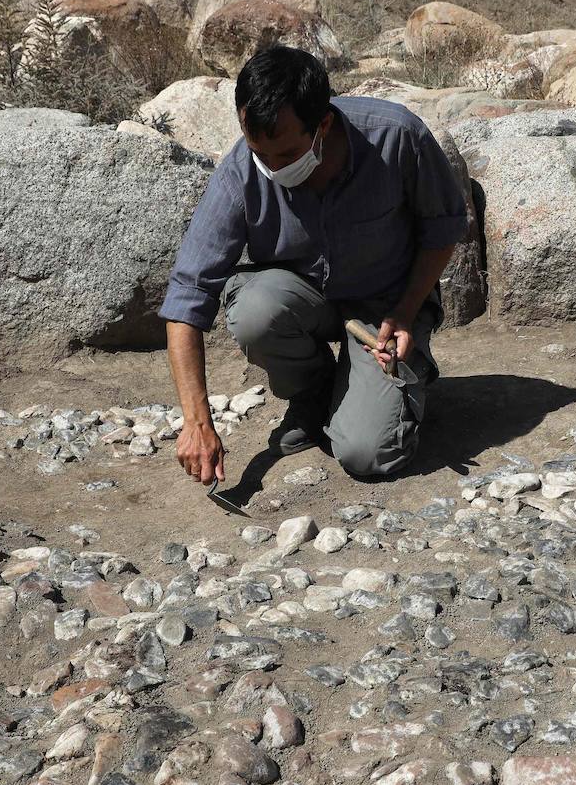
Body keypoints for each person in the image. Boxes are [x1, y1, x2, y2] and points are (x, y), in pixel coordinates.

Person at [158, 45, 468, 483]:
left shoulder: (396, 137)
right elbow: (188, 294)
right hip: (304, 300)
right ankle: (314, 391)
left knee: (368, 456)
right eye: (257, 152)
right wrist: (197, 422)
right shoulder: (242, 171)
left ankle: (404, 380)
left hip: (386, 307)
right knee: (253, 310)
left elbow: (444, 228)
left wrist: (405, 312)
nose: (270, 167)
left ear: (322, 125)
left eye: (285, 156)